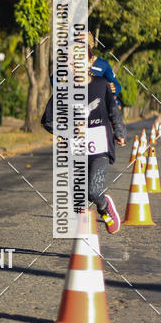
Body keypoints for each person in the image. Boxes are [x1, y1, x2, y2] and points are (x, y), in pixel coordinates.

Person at [42, 44, 126, 233]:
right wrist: (69, 131)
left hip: (100, 148)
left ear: (89, 62)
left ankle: (104, 207)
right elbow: (47, 121)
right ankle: (84, 246)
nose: (75, 63)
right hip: (76, 151)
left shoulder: (102, 85)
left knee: (93, 191)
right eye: (70, 60)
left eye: (79, 59)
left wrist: (120, 132)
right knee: (78, 200)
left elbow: (113, 111)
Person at [87, 31, 122, 106]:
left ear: (92, 44)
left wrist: (114, 87)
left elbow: (117, 85)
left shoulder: (103, 64)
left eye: (87, 43)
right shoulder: (70, 61)